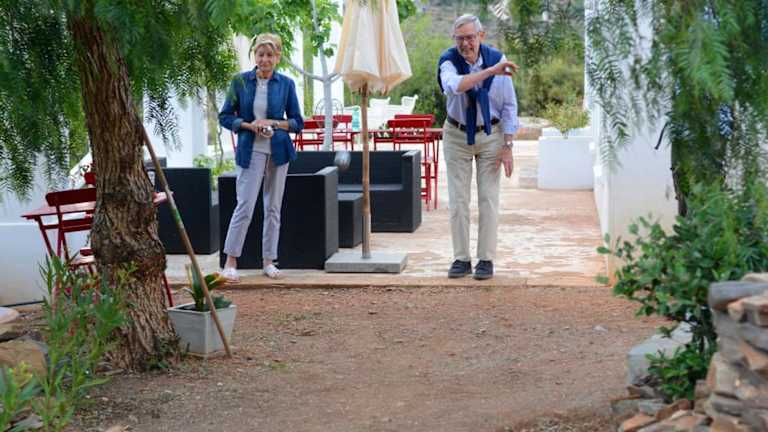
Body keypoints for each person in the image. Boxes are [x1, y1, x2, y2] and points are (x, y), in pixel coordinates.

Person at [437, 15, 519, 280]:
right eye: (460, 38)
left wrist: (508, 145)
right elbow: (456, 86)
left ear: (481, 36)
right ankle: (461, 259)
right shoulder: (448, 61)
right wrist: (490, 72)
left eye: (470, 37)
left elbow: (509, 105)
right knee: (458, 201)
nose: (465, 44)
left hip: (491, 134)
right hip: (457, 135)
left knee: (488, 199)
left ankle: (486, 259)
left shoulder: (497, 58)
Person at [219, 33, 304, 282]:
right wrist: (249, 125)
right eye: (260, 54)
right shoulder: (240, 82)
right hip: (250, 150)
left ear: (277, 57)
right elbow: (225, 116)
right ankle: (230, 262)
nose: (264, 59)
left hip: (279, 151)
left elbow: (297, 123)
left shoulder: (286, 84)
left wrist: (273, 123)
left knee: (273, 207)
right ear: (254, 56)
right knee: (245, 206)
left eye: (269, 55)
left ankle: (269, 261)